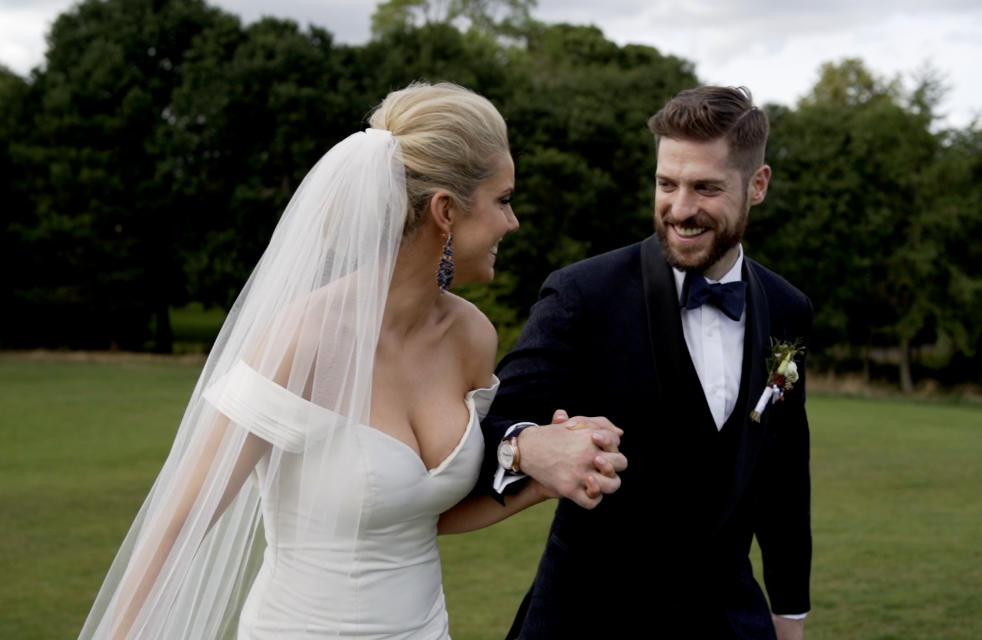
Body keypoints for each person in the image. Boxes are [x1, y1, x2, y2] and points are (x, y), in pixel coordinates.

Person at [77, 82, 625, 640]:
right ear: (445, 211)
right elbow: (179, 523)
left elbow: (428, 513)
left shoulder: (471, 337)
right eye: (503, 200)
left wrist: (542, 479)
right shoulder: (303, 341)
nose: (513, 223)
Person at [479, 86, 813, 639]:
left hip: (730, 623)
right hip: (588, 619)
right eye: (666, 184)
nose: (680, 209)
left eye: (706, 187)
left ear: (757, 186)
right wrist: (530, 445)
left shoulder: (788, 308)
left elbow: (782, 474)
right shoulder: (581, 294)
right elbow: (491, 427)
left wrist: (789, 614)